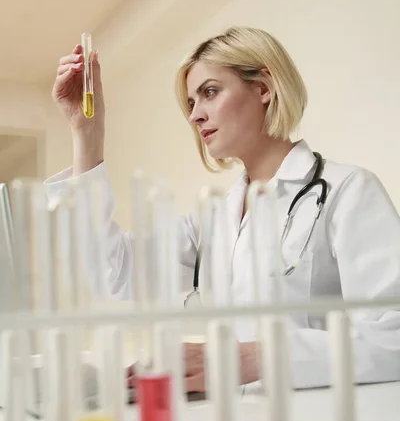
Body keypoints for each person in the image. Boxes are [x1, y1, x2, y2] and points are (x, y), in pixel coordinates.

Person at [46, 26, 400, 392]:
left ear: (264, 88)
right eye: (190, 104)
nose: (195, 115)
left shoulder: (346, 191)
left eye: (209, 93)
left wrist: (252, 358)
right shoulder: (213, 221)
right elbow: (110, 272)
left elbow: (395, 336)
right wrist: (87, 130)